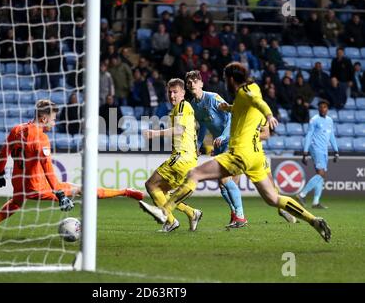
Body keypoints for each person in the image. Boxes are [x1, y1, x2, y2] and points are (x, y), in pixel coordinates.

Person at [139, 62, 331, 243]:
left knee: (195, 174)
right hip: (255, 154)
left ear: (230, 79)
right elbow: (244, 107)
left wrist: (269, 115)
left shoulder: (241, 93)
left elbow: (256, 102)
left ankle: (165, 211)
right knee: (273, 198)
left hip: (239, 153)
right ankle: (313, 220)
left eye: (225, 78)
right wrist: (229, 108)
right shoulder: (249, 90)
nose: (224, 82)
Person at [0, 100, 144, 237]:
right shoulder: (41, 138)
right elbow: (48, 170)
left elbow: (4, 152)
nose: (54, 123)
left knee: (16, 202)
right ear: (44, 118)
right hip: (36, 186)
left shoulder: (17, 129)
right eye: (53, 119)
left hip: (19, 183)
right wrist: (60, 195)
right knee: (82, 189)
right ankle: (125, 192)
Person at [185, 70, 247, 228]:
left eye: (195, 80)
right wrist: (198, 145)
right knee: (221, 183)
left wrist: (224, 136)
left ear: (201, 83)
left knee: (225, 179)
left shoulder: (213, 98)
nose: (192, 83)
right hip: (219, 143)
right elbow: (204, 125)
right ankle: (235, 215)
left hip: (231, 139)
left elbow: (230, 116)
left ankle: (240, 216)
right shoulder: (194, 105)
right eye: (189, 81)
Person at [140, 78, 203, 232]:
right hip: (188, 159)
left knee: (151, 185)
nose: (172, 95)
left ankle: (170, 221)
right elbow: (194, 129)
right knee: (162, 191)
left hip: (181, 158)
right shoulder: (177, 110)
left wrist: (155, 133)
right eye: (170, 92)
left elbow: (179, 130)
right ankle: (192, 213)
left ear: (183, 93)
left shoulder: (183, 105)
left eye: (175, 92)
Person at [297, 100, 339, 209]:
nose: (323, 109)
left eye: (325, 107)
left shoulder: (330, 121)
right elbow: (309, 135)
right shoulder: (314, 120)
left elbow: (331, 136)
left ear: (327, 109)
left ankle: (315, 202)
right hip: (316, 148)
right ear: (318, 109)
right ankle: (302, 194)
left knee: (322, 175)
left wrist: (336, 150)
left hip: (324, 150)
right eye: (321, 107)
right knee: (321, 173)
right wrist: (305, 152)